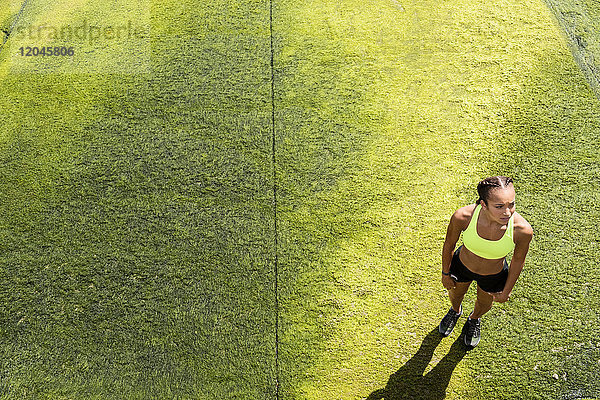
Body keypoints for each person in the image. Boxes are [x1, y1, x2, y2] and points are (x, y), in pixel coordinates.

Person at [438, 176, 533, 348]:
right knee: (456, 294)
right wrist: (445, 273)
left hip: (494, 275)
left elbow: (518, 261)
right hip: (462, 266)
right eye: (499, 206)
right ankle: (455, 311)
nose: (507, 212)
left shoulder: (522, 230)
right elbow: (449, 244)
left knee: (484, 303)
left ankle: (474, 319)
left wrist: (506, 291)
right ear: (483, 204)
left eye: (511, 204)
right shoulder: (463, 216)